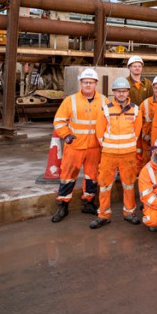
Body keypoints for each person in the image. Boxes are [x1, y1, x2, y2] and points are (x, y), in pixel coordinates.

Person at [50, 67, 106, 223]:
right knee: (67, 176)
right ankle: (63, 205)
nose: (88, 85)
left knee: (92, 177)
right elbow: (59, 121)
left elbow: (110, 121)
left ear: (96, 84)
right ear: (80, 83)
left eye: (91, 82)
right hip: (74, 146)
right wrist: (66, 135)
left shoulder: (103, 101)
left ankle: (88, 203)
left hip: (94, 147)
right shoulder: (70, 100)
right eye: (85, 82)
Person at [91, 76, 142, 229]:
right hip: (109, 154)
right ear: (113, 93)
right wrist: (107, 145)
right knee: (105, 185)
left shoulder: (135, 109)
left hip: (128, 154)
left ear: (128, 92)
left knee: (129, 184)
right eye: (118, 92)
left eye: (124, 91)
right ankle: (103, 215)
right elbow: (99, 132)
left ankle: (129, 213)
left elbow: (136, 131)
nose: (121, 94)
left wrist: (129, 145)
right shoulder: (105, 109)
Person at [138, 74, 157, 168]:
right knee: (147, 168)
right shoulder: (145, 104)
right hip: (147, 144)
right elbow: (139, 124)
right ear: (153, 88)